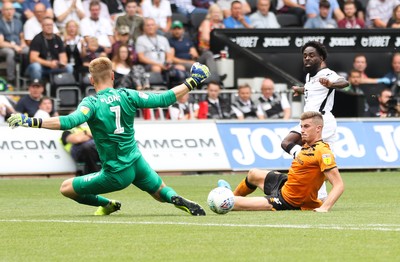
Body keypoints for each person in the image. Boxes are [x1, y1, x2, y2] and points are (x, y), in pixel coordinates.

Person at [7, 57, 210, 216]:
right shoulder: (128, 95)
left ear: (91, 80)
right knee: (160, 192)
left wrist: (30, 121)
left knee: (66, 187)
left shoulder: (91, 103)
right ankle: (175, 198)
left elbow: (70, 121)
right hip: (136, 161)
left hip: (116, 173)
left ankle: (107, 204)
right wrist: (193, 81)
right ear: (112, 76)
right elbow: (165, 98)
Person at [218, 111, 345, 212]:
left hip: (290, 201)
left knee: (228, 203)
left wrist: (324, 207)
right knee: (253, 173)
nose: (302, 130)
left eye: (306, 126)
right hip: (285, 185)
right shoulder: (306, 145)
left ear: (318, 128)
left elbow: (339, 185)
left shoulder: (323, 152)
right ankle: (230, 193)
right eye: (301, 126)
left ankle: (226, 197)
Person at [280, 41, 348, 201]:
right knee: (316, 158)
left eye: (311, 55)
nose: (307, 59)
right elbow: (314, 89)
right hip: (311, 121)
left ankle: (319, 193)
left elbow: (345, 82)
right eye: (304, 56)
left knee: (294, 146)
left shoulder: (328, 74)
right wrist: (301, 89)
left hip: (322, 121)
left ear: (321, 58)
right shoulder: (310, 76)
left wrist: (331, 84)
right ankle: (321, 195)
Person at [0, 2, 28, 84]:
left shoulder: (18, 22)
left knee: (28, 50)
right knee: (10, 53)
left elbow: (21, 37)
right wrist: (14, 46)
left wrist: (23, 44)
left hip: (17, 45)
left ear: (14, 10)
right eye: (7, 10)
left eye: (11, 9)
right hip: (4, 47)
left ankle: (24, 76)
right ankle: (11, 79)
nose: (9, 12)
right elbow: (1, 43)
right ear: (2, 11)